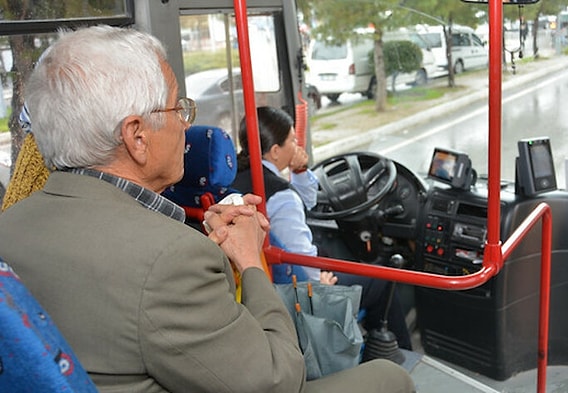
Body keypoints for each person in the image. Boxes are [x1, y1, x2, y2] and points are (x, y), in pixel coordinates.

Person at [0, 25, 414, 393]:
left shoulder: (10, 226)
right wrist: (251, 262)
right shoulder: (170, 258)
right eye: (177, 107)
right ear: (136, 137)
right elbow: (278, 380)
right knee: (390, 377)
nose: (186, 124)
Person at [232, 106, 413, 350]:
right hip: (295, 288)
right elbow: (300, 256)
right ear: (275, 151)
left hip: (254, 283)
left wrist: (300, 171)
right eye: (293, 140)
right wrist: (319, 287)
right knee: (381, 280)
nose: (298, 146)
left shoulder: (235, 177)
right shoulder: (281, 197)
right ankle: (396, 352)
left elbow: (307, 202)